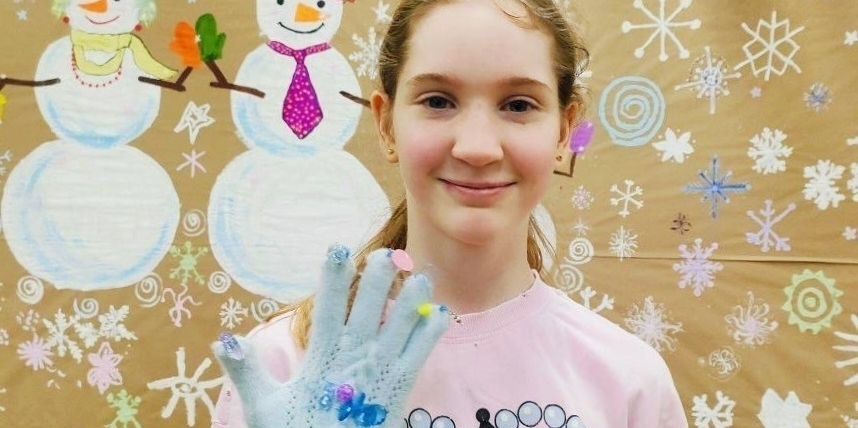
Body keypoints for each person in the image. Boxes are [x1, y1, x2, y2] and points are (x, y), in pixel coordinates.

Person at [211, 0, 689, 426]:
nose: (477, 147)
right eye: (438, 101)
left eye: (518, 105)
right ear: (386, 124)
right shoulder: (282, 368)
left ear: (564, 131)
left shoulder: (629, 381)